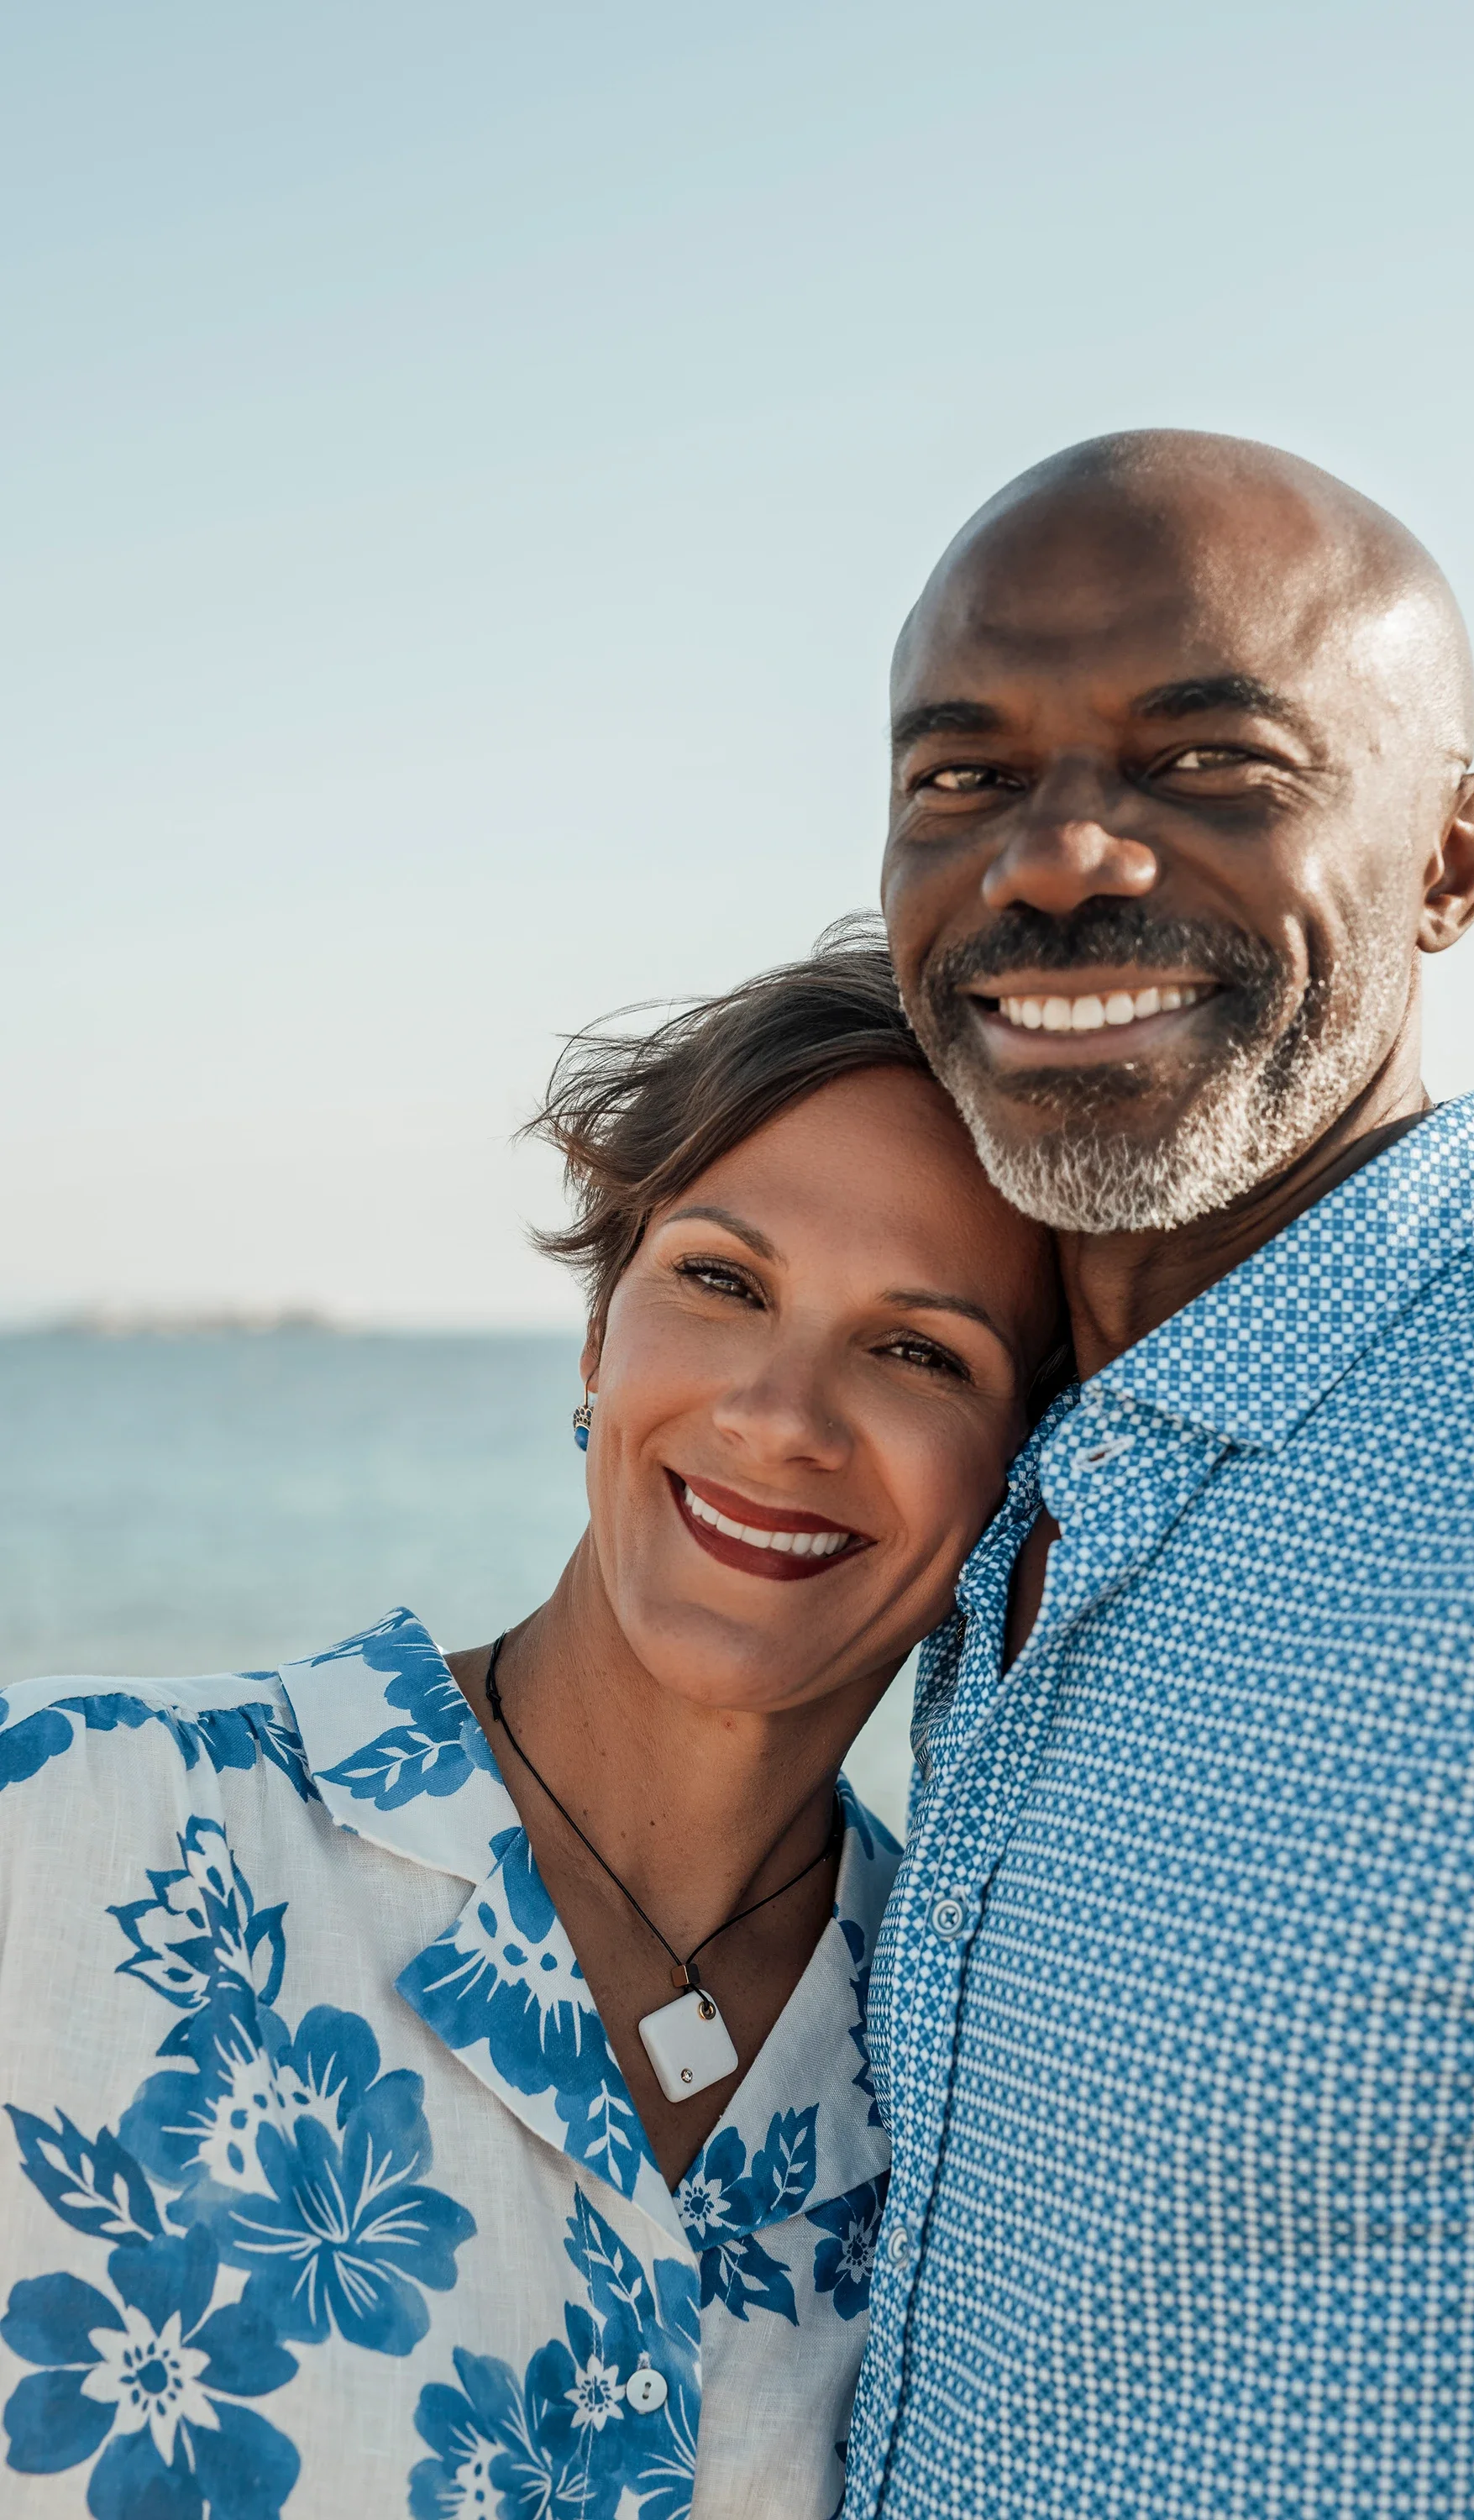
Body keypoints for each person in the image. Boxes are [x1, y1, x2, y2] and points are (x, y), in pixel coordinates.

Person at [843, 430, 1474, 2518]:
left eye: (1207, 765)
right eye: (964, 777)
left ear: (1452, 862)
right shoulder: (1020, 1450)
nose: (1053, 861)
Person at [0, 939, 1062, 2520]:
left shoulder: (974, 2066)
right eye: (721, 1281)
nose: (778, 1415)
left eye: (919, 1351)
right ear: (595, 1334)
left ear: (1022, 1468)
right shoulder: (67, 1818)